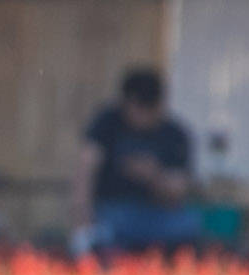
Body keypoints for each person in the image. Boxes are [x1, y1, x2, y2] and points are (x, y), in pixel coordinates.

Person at [73, 66, 202, 256]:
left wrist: (154, 177)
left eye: (147, 109)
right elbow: (85, 170)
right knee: (105, 228)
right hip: (113, 209)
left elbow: (179, 190)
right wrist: (82, 219)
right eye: (136, 107)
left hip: (157, 214)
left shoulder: (175, 134)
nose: (140, 115)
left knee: (189, 223)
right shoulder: (107, 123)